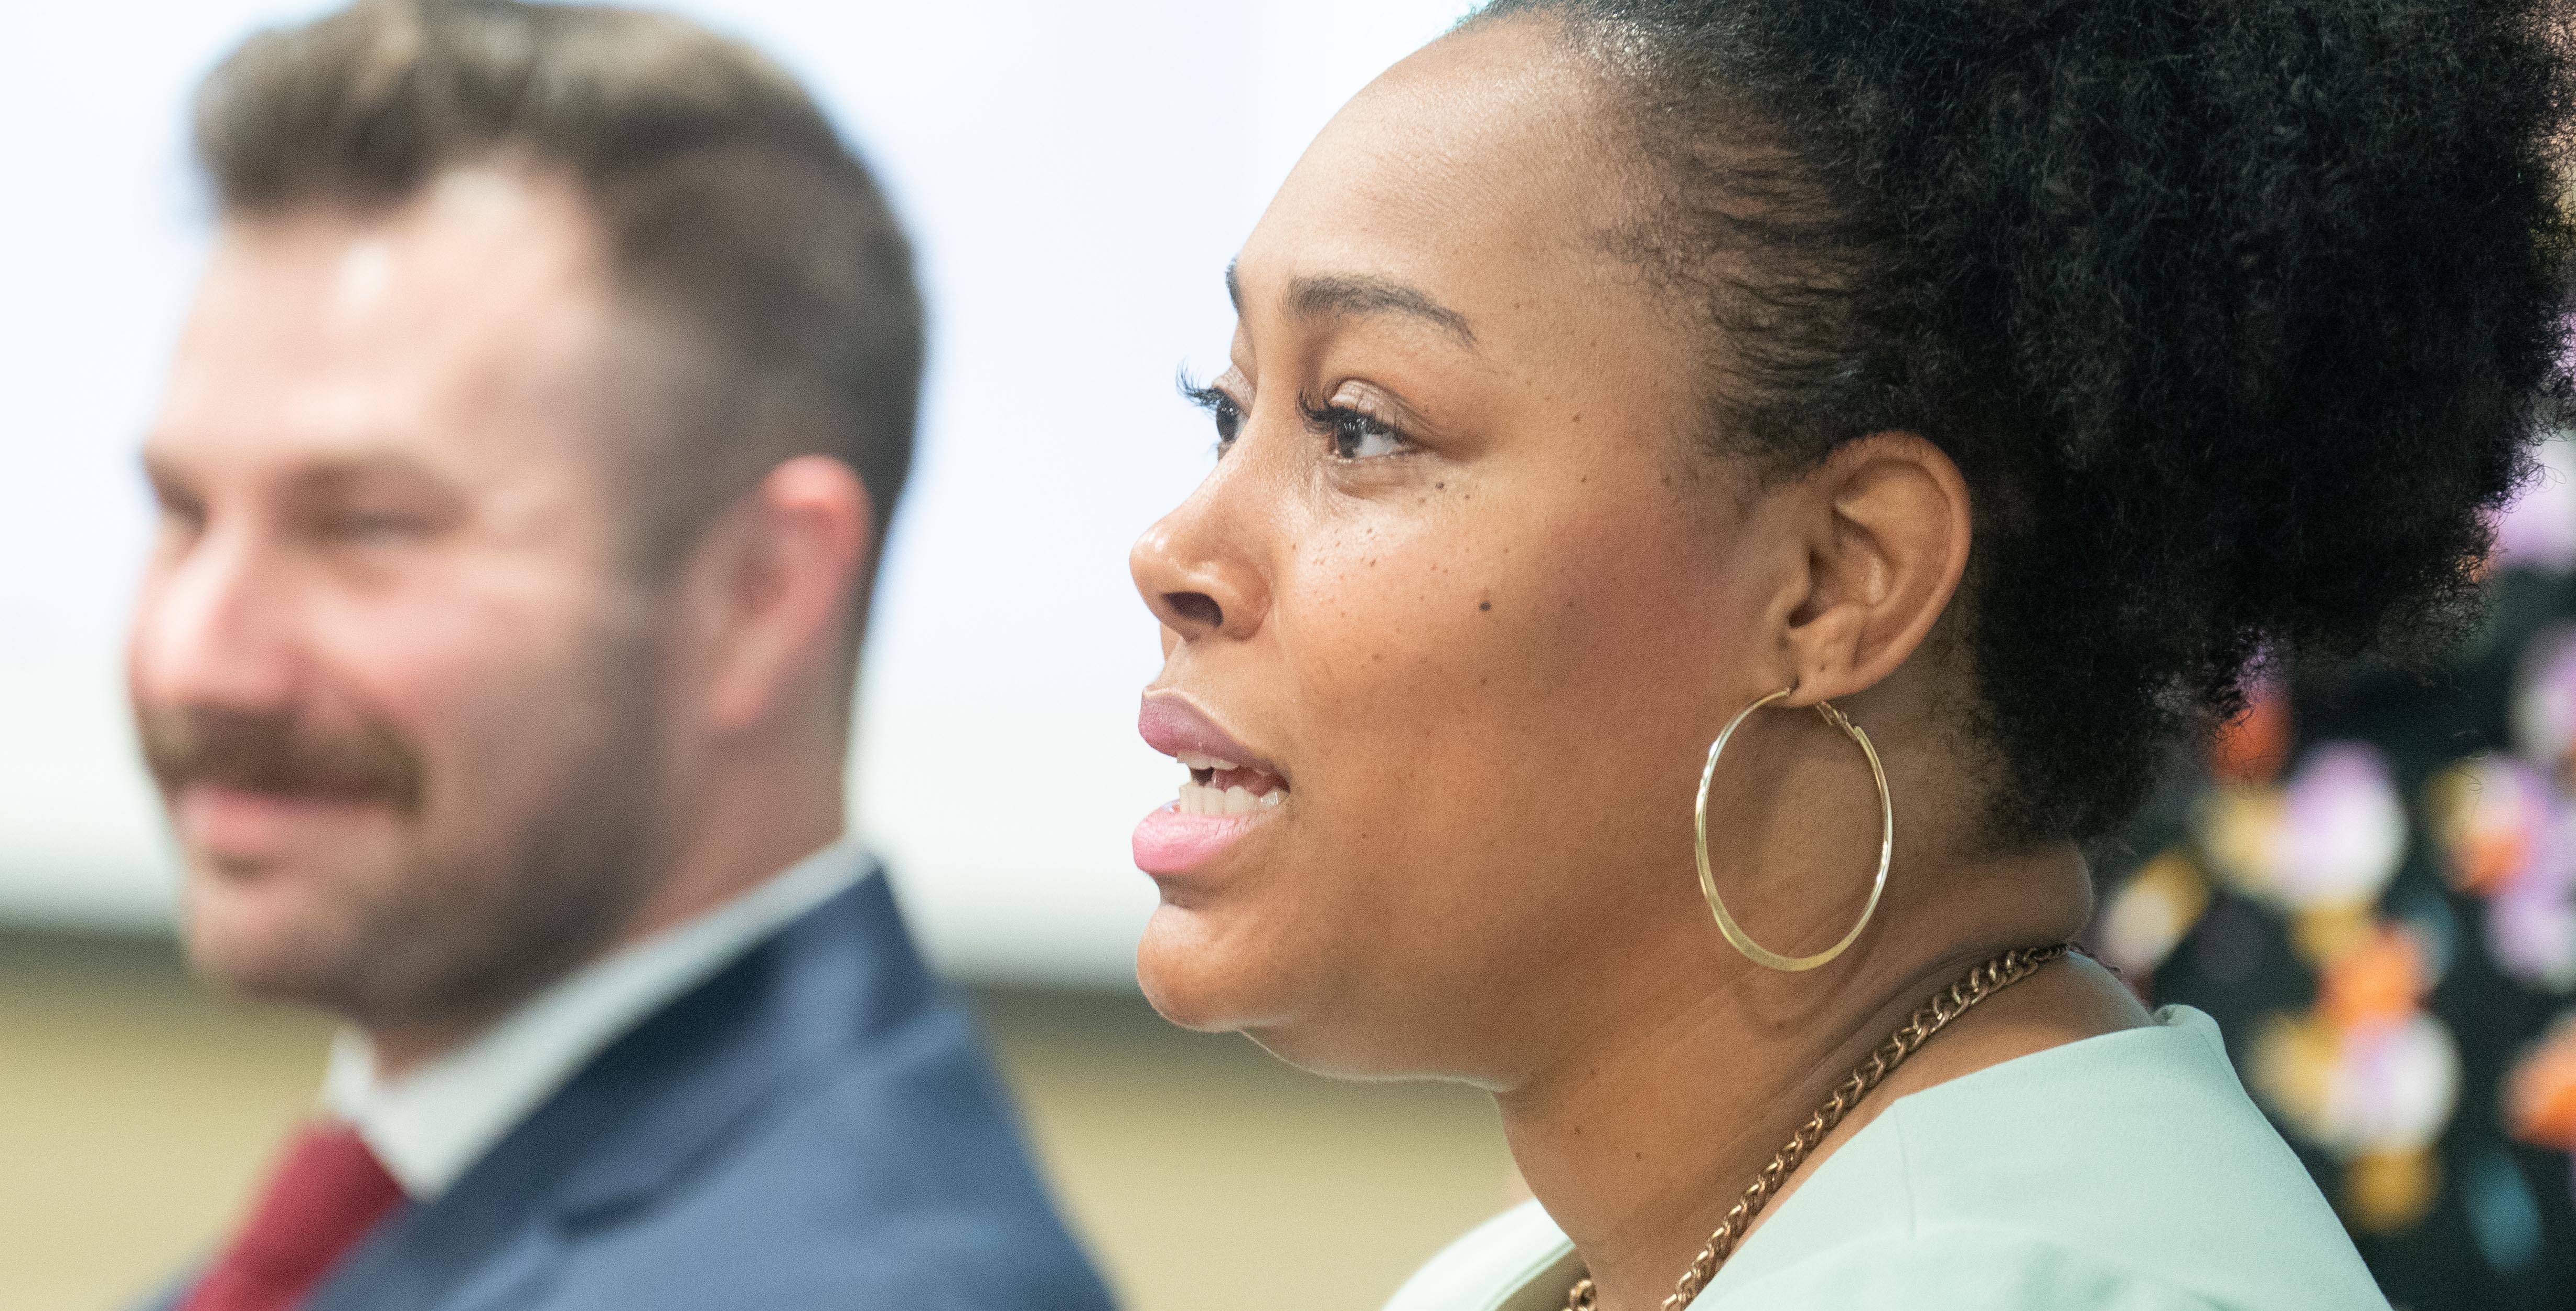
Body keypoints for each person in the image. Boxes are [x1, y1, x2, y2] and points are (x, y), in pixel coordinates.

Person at [1124, 2, 2571, 1309]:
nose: (1175, 551)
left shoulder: (2021, 1285)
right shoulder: (1539, 1273)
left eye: (1360, 425)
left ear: (1837, 584)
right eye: (1224, 406)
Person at [124, 3, 1115, 1308]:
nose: (199, 656)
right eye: (183, 513)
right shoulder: (420, 1186)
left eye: (367, 528)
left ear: (760, 595)